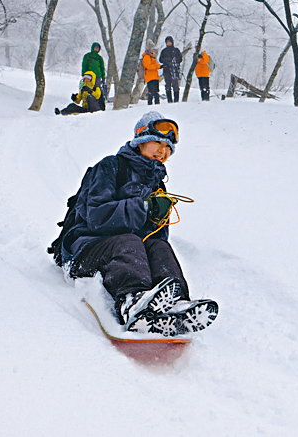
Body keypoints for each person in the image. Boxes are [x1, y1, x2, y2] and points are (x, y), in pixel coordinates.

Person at [61, 111, 218, 336]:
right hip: (85, 251)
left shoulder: (157, 185)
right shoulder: (111, 167)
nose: (163, 151)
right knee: (129, 242)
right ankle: (132, 302)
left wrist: (158, 219)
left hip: (121, 254)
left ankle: (176, 304)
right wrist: (142, 207)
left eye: (168, 148)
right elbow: (95, 216)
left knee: (159, 247)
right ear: (141, 139)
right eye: (158, 143)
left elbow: (154, 239)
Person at [82, 42, 107, 110]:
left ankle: (96, 105)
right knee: (88, 89)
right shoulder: (87, 56)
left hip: (97, 77)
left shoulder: (99, 58)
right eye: (95, 47)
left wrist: (103, 77)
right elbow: (84, 65)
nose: (96, 49)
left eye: (98, 48)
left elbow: (102, 68)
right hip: (89, 76)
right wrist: (83, 75)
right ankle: (87, 104)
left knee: (97, 90)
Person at [158, 36, 182, 103]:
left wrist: (174, 61)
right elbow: (160, 59)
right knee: (168, 85)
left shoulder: (176, 50)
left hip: (174, 70)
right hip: (166, 70)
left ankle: (176, 100)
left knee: (175, 85)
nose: (168, 43)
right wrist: (166, 60)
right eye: (167, 42)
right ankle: (169, 100)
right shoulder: (164, 51)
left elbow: (180, 59)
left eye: (169, 42)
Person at [142, 40, 162, 105]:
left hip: (155, 76)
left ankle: (157, 103)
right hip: (150, 77)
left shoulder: (152, 57)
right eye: (153, 49)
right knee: (151, 92)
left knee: (156, 91)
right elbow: (149, 66)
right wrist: (157, 66)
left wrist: (160, 66)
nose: (154, 50)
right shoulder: (146, 57)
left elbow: (155, 65)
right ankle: (150, 104)